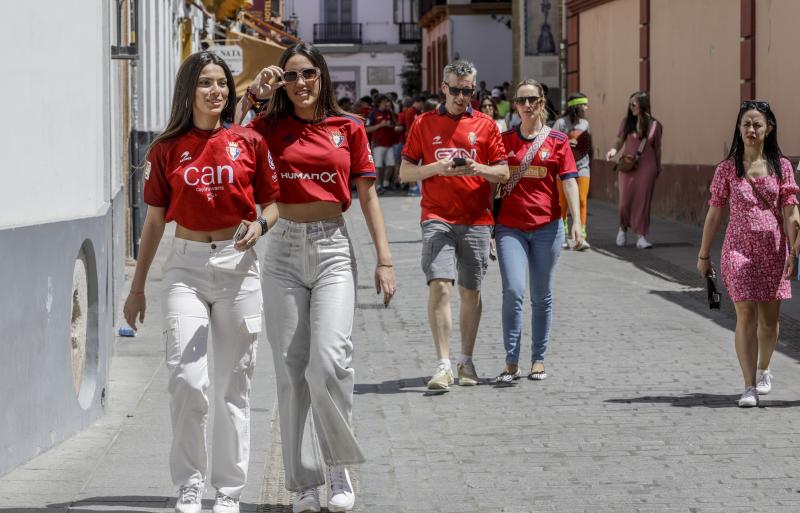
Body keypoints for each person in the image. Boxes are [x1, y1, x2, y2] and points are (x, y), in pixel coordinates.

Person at [242, 42, 396, 512]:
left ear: (322, 75)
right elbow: (230, 149)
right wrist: (253, 96)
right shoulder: (267, 127)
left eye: (308, 73)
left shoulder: (348, 127)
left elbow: (368, 196)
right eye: (291, 76)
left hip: (333, 247)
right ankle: (304, 483)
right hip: (283, 249)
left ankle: (337, 466)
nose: (301, 83)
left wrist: (384, 259)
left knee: (330, 363)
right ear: (282, 83)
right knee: (291, 373)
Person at [123, 51, 280, 513]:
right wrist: (137, 289)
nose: (217, 92)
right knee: (187, 381)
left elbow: (272, 204)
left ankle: (228, 490)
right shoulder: (167, 148)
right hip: (186, 269)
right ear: (188, 90)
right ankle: (189, 482)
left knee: (235, 386)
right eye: (206, 83)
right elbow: (153, 225)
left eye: (222, 84)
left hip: (238, 266)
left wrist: (260, 227)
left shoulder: (248, 141)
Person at [399, 59, 509, 391]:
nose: (463, 97)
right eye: (457, 90)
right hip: (437, 217)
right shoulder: (423, 123)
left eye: (469, 91)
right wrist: (435, 169)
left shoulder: (487, 125)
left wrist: (477, 167)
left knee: (470, 292)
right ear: (444, 88)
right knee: (440, 285)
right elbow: (404, 172)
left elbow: (504, 173)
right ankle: (443, 364)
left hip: (476, 219)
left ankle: (466, 360)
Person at [697, 100, 799, 408]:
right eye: (746, 124)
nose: (751, 129)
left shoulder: (781, 167)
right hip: (737, 250)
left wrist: (794, 249)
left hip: (774, 249)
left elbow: (791, 211)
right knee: (746, 315)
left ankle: (765, 367)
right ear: (739, 129)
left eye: (757, 124)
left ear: (769, 129)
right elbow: (714, 214)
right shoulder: (727, 169)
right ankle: (749, 386)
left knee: (769, 321)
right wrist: (704, 255)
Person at [493, 79, 582, 385]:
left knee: (541, 296)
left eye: (532, 100)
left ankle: (538, 358)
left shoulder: (557, 140)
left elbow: (570, 181)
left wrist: (577, 226)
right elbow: (491, 183)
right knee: (514, 291)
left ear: (543, 102)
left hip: (548, 227)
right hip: (509, 228)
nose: (527, 105)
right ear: (515, 105)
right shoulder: (503, 140)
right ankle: (511, 360)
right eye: (521, 100)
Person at [605, 91, 662, 249]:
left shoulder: (655, 125)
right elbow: (619, 141)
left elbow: (657, 149)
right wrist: (612, 151)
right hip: (628, 165)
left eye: (634, 104)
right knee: (625, 201)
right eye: (630, 104)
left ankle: (641, 236)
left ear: (643, 105)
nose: (631, 108)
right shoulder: (626, 122)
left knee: (643, 202)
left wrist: (658, 166)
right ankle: (622, 229)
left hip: (648, 166)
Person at [553, 92, 592, 250]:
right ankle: (562, 234)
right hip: (563, 168)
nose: (586, 108)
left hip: (583, 166)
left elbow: (587, 144)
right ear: (576, 107)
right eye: (584, 105)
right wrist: (569, 141)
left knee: (582, 200)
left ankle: (580, 236)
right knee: (562, 203)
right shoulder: (561, 123)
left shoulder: (585, 124)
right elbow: (552, 144)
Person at [366, 95, 399, 194]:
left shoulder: (389, 113)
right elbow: (367, 129)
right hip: (378, 143)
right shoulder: (373, 114)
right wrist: (380, 125)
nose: (387, 104)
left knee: (391, 164)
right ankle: (378, 186)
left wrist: (390, 123)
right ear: (379, 103)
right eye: (385, 102)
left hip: (389, 143)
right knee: (378, 166)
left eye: (387, 102)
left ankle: (385, 183)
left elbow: (395, 124)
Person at [396, 96, 425, 196]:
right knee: (410, 164)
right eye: (422, 103)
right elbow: (409, 129)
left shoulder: (418, 112)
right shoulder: (410, 112)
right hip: (410, 142)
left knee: (416, 165)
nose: (422, 106)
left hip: (417, 142)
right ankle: (412, 187)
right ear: (418, 102)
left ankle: (414, 186)